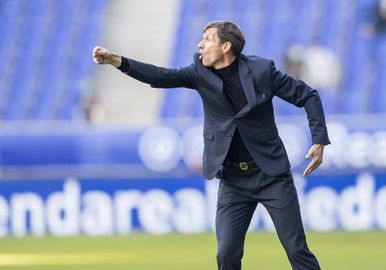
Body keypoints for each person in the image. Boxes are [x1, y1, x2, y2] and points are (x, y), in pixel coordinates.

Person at [93, 20, 330, 270]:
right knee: (226, 254)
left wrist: (319, 139)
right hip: (233, 181)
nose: (200, 44)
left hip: (271, 176)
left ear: (226, 46)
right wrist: (116, 60)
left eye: (207, 39)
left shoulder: (262, 70)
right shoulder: (199, 72)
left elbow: (308, 96)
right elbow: (161, 76)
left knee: (296, 249)